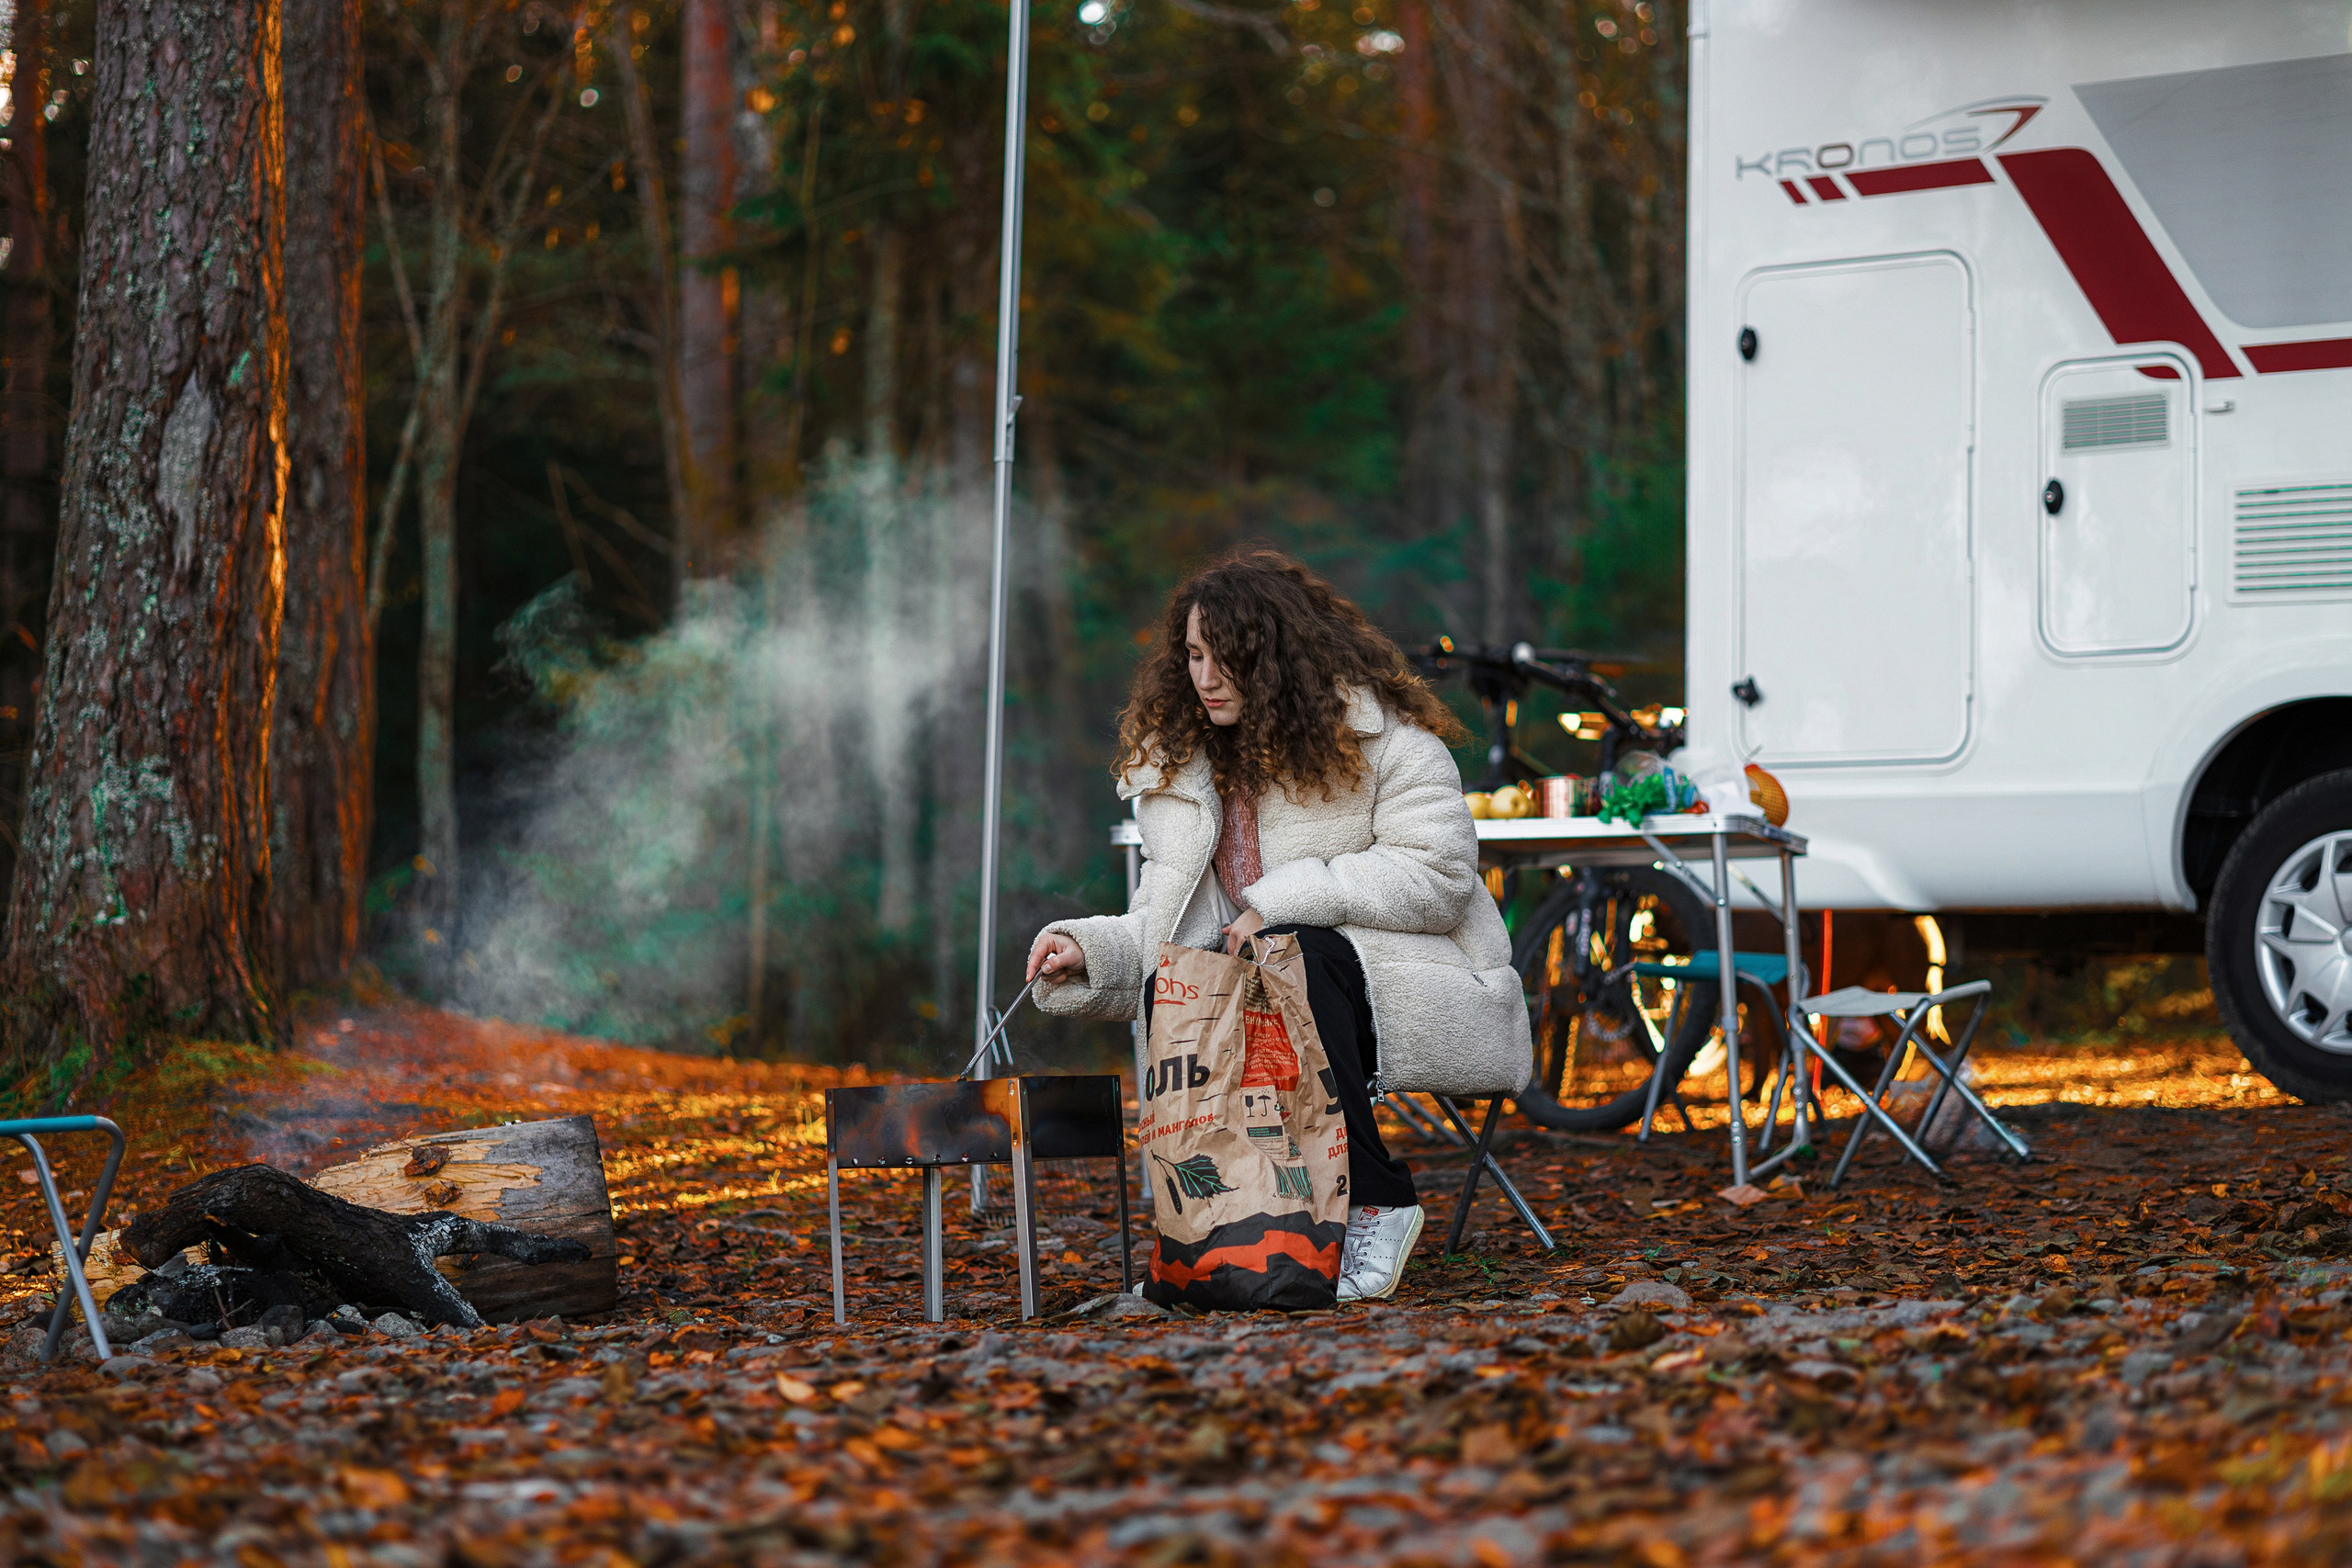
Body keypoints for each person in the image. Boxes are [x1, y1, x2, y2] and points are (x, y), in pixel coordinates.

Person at [1024, 549, 1532, 1303]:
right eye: (1193, 655)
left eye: (1227, 656)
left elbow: (1440, 877)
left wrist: (1284, 898)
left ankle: (1379, 1198)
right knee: (1195, 976)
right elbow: (1164, 923)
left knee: (1294, 948)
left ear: (1276, 655)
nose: (1205, 676)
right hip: (1267, 992)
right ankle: (1225, 1228)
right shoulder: (1183, 770)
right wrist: (1090, 950)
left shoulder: (1381, 740)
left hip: (1413, 975)